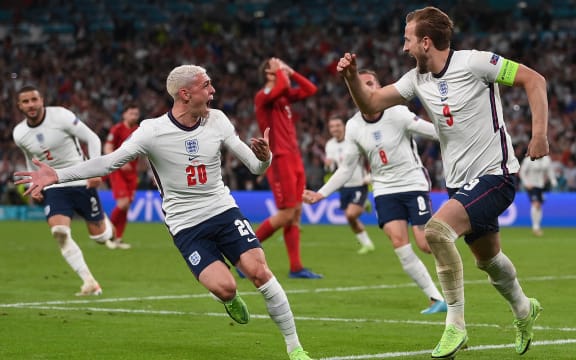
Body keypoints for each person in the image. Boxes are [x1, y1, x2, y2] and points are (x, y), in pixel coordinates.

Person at [16, 65, 314, 360]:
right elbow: (109, 162)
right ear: (185, 93)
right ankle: (229, 298)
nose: (213, 90)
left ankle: (294, 347)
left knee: (259, 271)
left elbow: (255, 166)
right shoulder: (152, 131)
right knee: (225, 288)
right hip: (185, 225)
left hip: (223, 210)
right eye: (206, 85)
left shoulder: (219, 121)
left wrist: (266, 158)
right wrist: (57, 175)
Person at [337, 6, 547, 358]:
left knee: (435, 232)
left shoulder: (476, 63)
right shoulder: (415, 79)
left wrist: (538, 134)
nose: (403, 48)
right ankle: (525, 309)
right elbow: (372, 102)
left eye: (407, 40)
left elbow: (534, 80)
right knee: (488, 260)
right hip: (459, 182)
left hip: (497, 174)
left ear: (426, 41)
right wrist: (352, 78)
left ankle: (455, 325)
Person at [305, 69, 447, 315]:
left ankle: (454, 266)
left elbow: (435, 132)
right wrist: (322, 193)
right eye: (361, 84)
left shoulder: (398, 112)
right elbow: (347, 168)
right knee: (399, 243)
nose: (367, 87)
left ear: (381, 88)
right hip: (383, 189)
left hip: (412, 182)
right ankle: (436, 298)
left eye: (371, 82)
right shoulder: (353, 126)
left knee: (424, 243)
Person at [12, 85, 117, 296]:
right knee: (59, 232)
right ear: (19, 105)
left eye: (34, 99)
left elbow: (93, 138)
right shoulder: (19, 133)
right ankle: (89, 282)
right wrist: (35, 183)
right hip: (54, 185)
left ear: (42, 100)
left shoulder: (61, 116)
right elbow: (30, 158)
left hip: (80, 179)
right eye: (26, 101)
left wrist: (95, 170)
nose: (31, 105)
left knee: (101, 237)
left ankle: (108, 225)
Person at [254, 57, 322, 279]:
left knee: (295, 214)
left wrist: (291, 72)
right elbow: (282, 85)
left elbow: (311, 89)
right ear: (267, 73)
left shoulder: (282, 97)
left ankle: (296, 267)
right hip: (280, 158)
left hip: (294, 157)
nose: (280, 70)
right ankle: (242, 253)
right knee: (286, 214)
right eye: (275, 68)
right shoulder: (263, 97)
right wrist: (281, 72)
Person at [324, 115, 376, 255]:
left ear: (344, 127)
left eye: (338, 125)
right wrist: (328, 166)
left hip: (359, 184)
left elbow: (371, 157)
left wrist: (369, 176)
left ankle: (364, 202)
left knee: (350, 214)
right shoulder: (330, 145)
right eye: (332, 126)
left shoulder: (353, 141)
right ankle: (367, 244)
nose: (335, 129)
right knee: (349, 218)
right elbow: (332, 167)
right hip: (344, 186)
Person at [103, 103, 142, 249]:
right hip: (118, 171)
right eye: (131, 113)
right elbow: (107, 147)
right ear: (124, 115)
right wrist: (117, 161)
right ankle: (108, 232)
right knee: (123, 204)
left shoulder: (139, 130)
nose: (134, 116)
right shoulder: (117, 129)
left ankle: (117, 239)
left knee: (126, 207)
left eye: (136, 114)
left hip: (132, 174)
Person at [519, 155, 557, 236]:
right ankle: (535, 227)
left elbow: (550, 171)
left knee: (539, 206)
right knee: (535, 204)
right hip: (531, 185)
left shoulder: (547, 159)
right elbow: (522, 172)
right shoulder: (528, 160)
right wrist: (526, 183)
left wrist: (553, 181)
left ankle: (538, 226)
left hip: (541, 185)